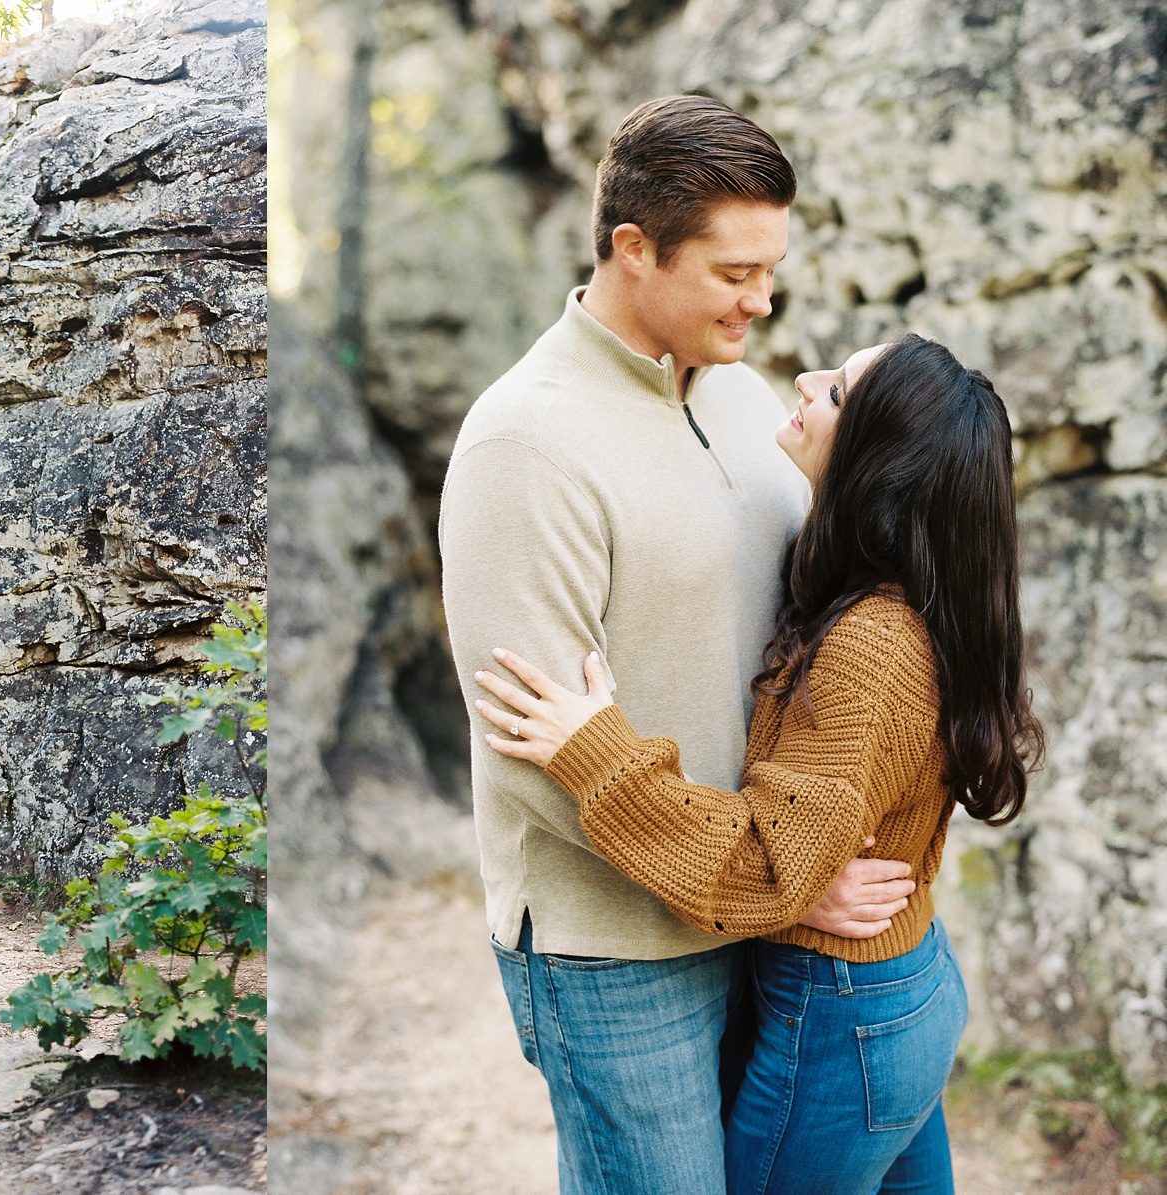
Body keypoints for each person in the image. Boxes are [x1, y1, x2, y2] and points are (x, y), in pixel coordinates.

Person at [438, 94, 919, 1193]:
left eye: (771, 268)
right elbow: (539, 758)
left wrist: (786, 877)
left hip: (762, 913)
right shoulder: (526, 442)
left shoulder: (753, 402)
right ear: (633, 249)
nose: (763, 299)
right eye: (734, 272)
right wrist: (782, 885)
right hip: (615, 951)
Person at [475, 334, 1044, 1192]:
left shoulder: (872, 646)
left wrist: (597, 753)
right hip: (901, 985)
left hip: (844, 1016)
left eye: (841, 393)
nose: (807, 379)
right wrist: (806, 887)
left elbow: (770, 863)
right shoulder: (903, 600)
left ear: (879, 461)